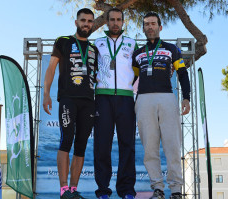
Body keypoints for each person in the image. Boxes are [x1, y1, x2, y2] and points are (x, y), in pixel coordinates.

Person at [132, 12, 191, 199]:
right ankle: (157, 188)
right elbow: (132, 78)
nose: (150, 27)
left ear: (160, 27)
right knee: (149, 147)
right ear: (143, 28)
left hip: (167, 97)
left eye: (153, 23)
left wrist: (186, 98)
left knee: (172, 145)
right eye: (147, 24)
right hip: (143, 100)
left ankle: (176, 190)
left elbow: (182, 73)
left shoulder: (172, 49)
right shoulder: (138, 53)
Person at [43, 8, 98, 199]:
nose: (86, 24)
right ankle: (64, 189)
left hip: (89, 101)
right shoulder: (63, 41)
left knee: (81, 144)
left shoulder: (94, 49)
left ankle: (74, 190)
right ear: (76, 22)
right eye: (83, 20)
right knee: (67, 139)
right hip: (68, 98)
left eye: (90, 21)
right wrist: (46, 94)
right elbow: (51, 68)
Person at [94, 8, 138, 199]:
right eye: (112, 19)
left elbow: (138, 70)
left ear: (123, 22)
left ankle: (127, 190)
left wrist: (128, 85)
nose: (115, 23)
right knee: (102, 145)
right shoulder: (97, 43)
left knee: (127, 144)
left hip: (126, 98)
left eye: (118, 20)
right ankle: (103, 190)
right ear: (107, 21)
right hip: (102, 97)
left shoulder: (131, 43)